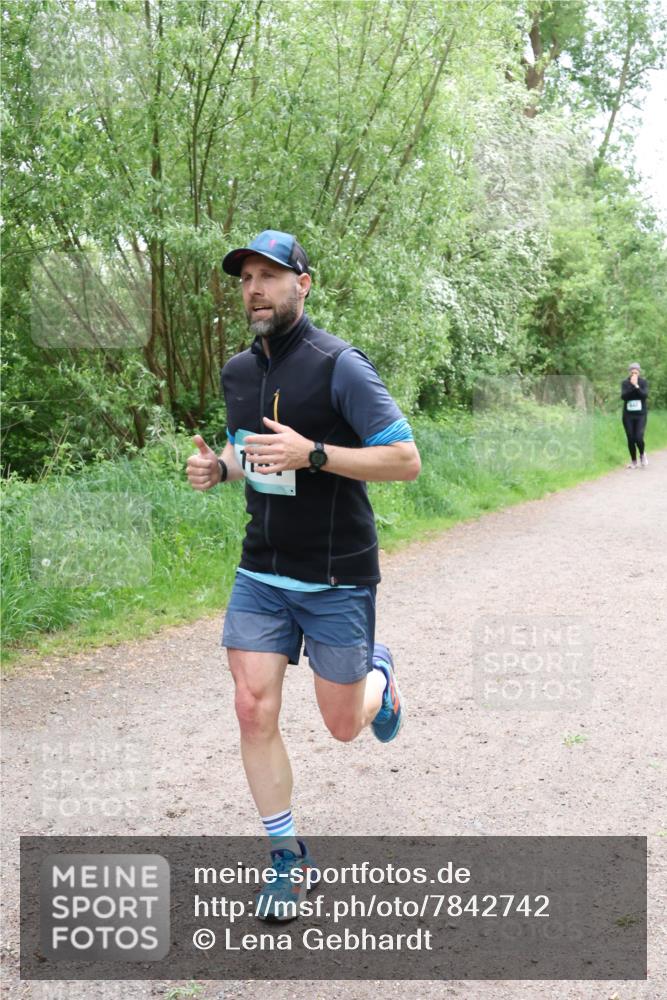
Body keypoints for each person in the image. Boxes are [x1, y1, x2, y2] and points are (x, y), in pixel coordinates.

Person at [186, 230, 420, 920]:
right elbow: (246, 453)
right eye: (245, 278)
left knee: (344, 726)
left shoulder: (338, 365)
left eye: (269, 275)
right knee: (251, 707)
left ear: (303, 283)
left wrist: (315, 454)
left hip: (336, 574)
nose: (254, 288)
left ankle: (380, 676)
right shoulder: (237, 372)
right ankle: (287, 860)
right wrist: (217, 470)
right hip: (262, 569)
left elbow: (405, 458)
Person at [621, 363, 649, 469]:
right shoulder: (625, 383)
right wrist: (632, 386)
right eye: (632, 372)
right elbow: (624, 397)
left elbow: (644, 395)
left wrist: (637, 386)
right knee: (630, 438)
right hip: (628, 415)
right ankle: (633, 461)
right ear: (629, 372)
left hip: (641, 415)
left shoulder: (643, 382)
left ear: (639, 372)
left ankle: (642, 454)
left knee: (638, 437)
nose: (634, 374)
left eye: (636, 372)